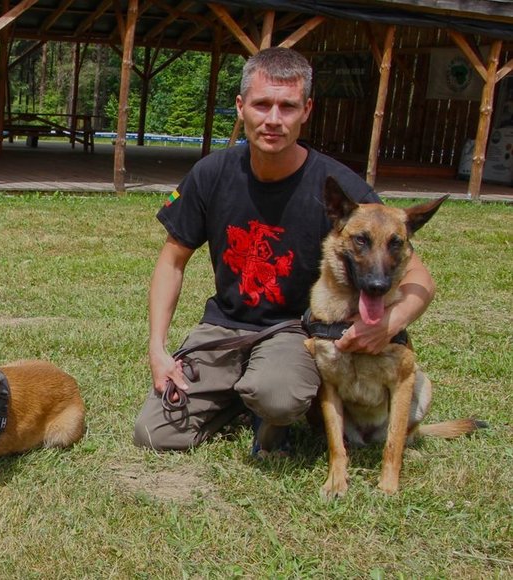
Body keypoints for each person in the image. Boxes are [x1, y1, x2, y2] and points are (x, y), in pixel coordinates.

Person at [133, 47, 435, 454]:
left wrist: (388, 324)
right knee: (154, 434)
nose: (273, 119)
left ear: (306, 109)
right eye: (262, 104)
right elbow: (172, 261)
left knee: (278, 395)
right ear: (241, 107)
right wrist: (158, 348)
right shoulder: (211, 174)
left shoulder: (339, 190)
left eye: (287, 107)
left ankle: (267, 400)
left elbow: (420, 279)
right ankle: (243, 399)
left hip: (292, 331)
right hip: (224, 327)